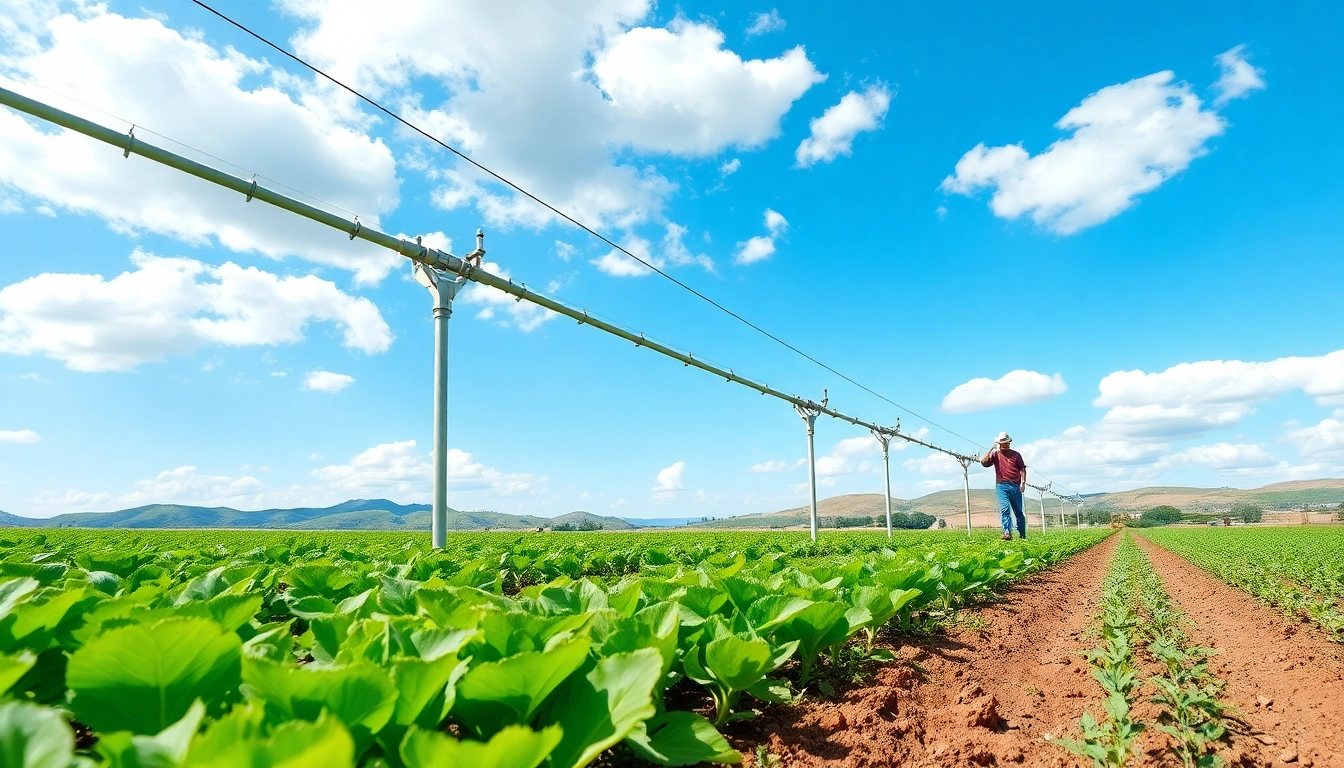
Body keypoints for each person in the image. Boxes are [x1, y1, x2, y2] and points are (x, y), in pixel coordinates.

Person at [982, 432, 1027, 540]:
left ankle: (1022, 534)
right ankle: (1007, 532)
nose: (1005, 444)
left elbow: (1022, 469)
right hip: (1001, 485)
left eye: (1006, 442)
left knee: (1018, 511)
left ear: (1009, 442)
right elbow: (984, 463)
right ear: (999, 443)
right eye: (1002, 442)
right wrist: (991, 449)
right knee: (1005, 509)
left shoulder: (1016, 455)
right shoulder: (995, 454)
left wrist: (1023, 483)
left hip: (1015, 485)